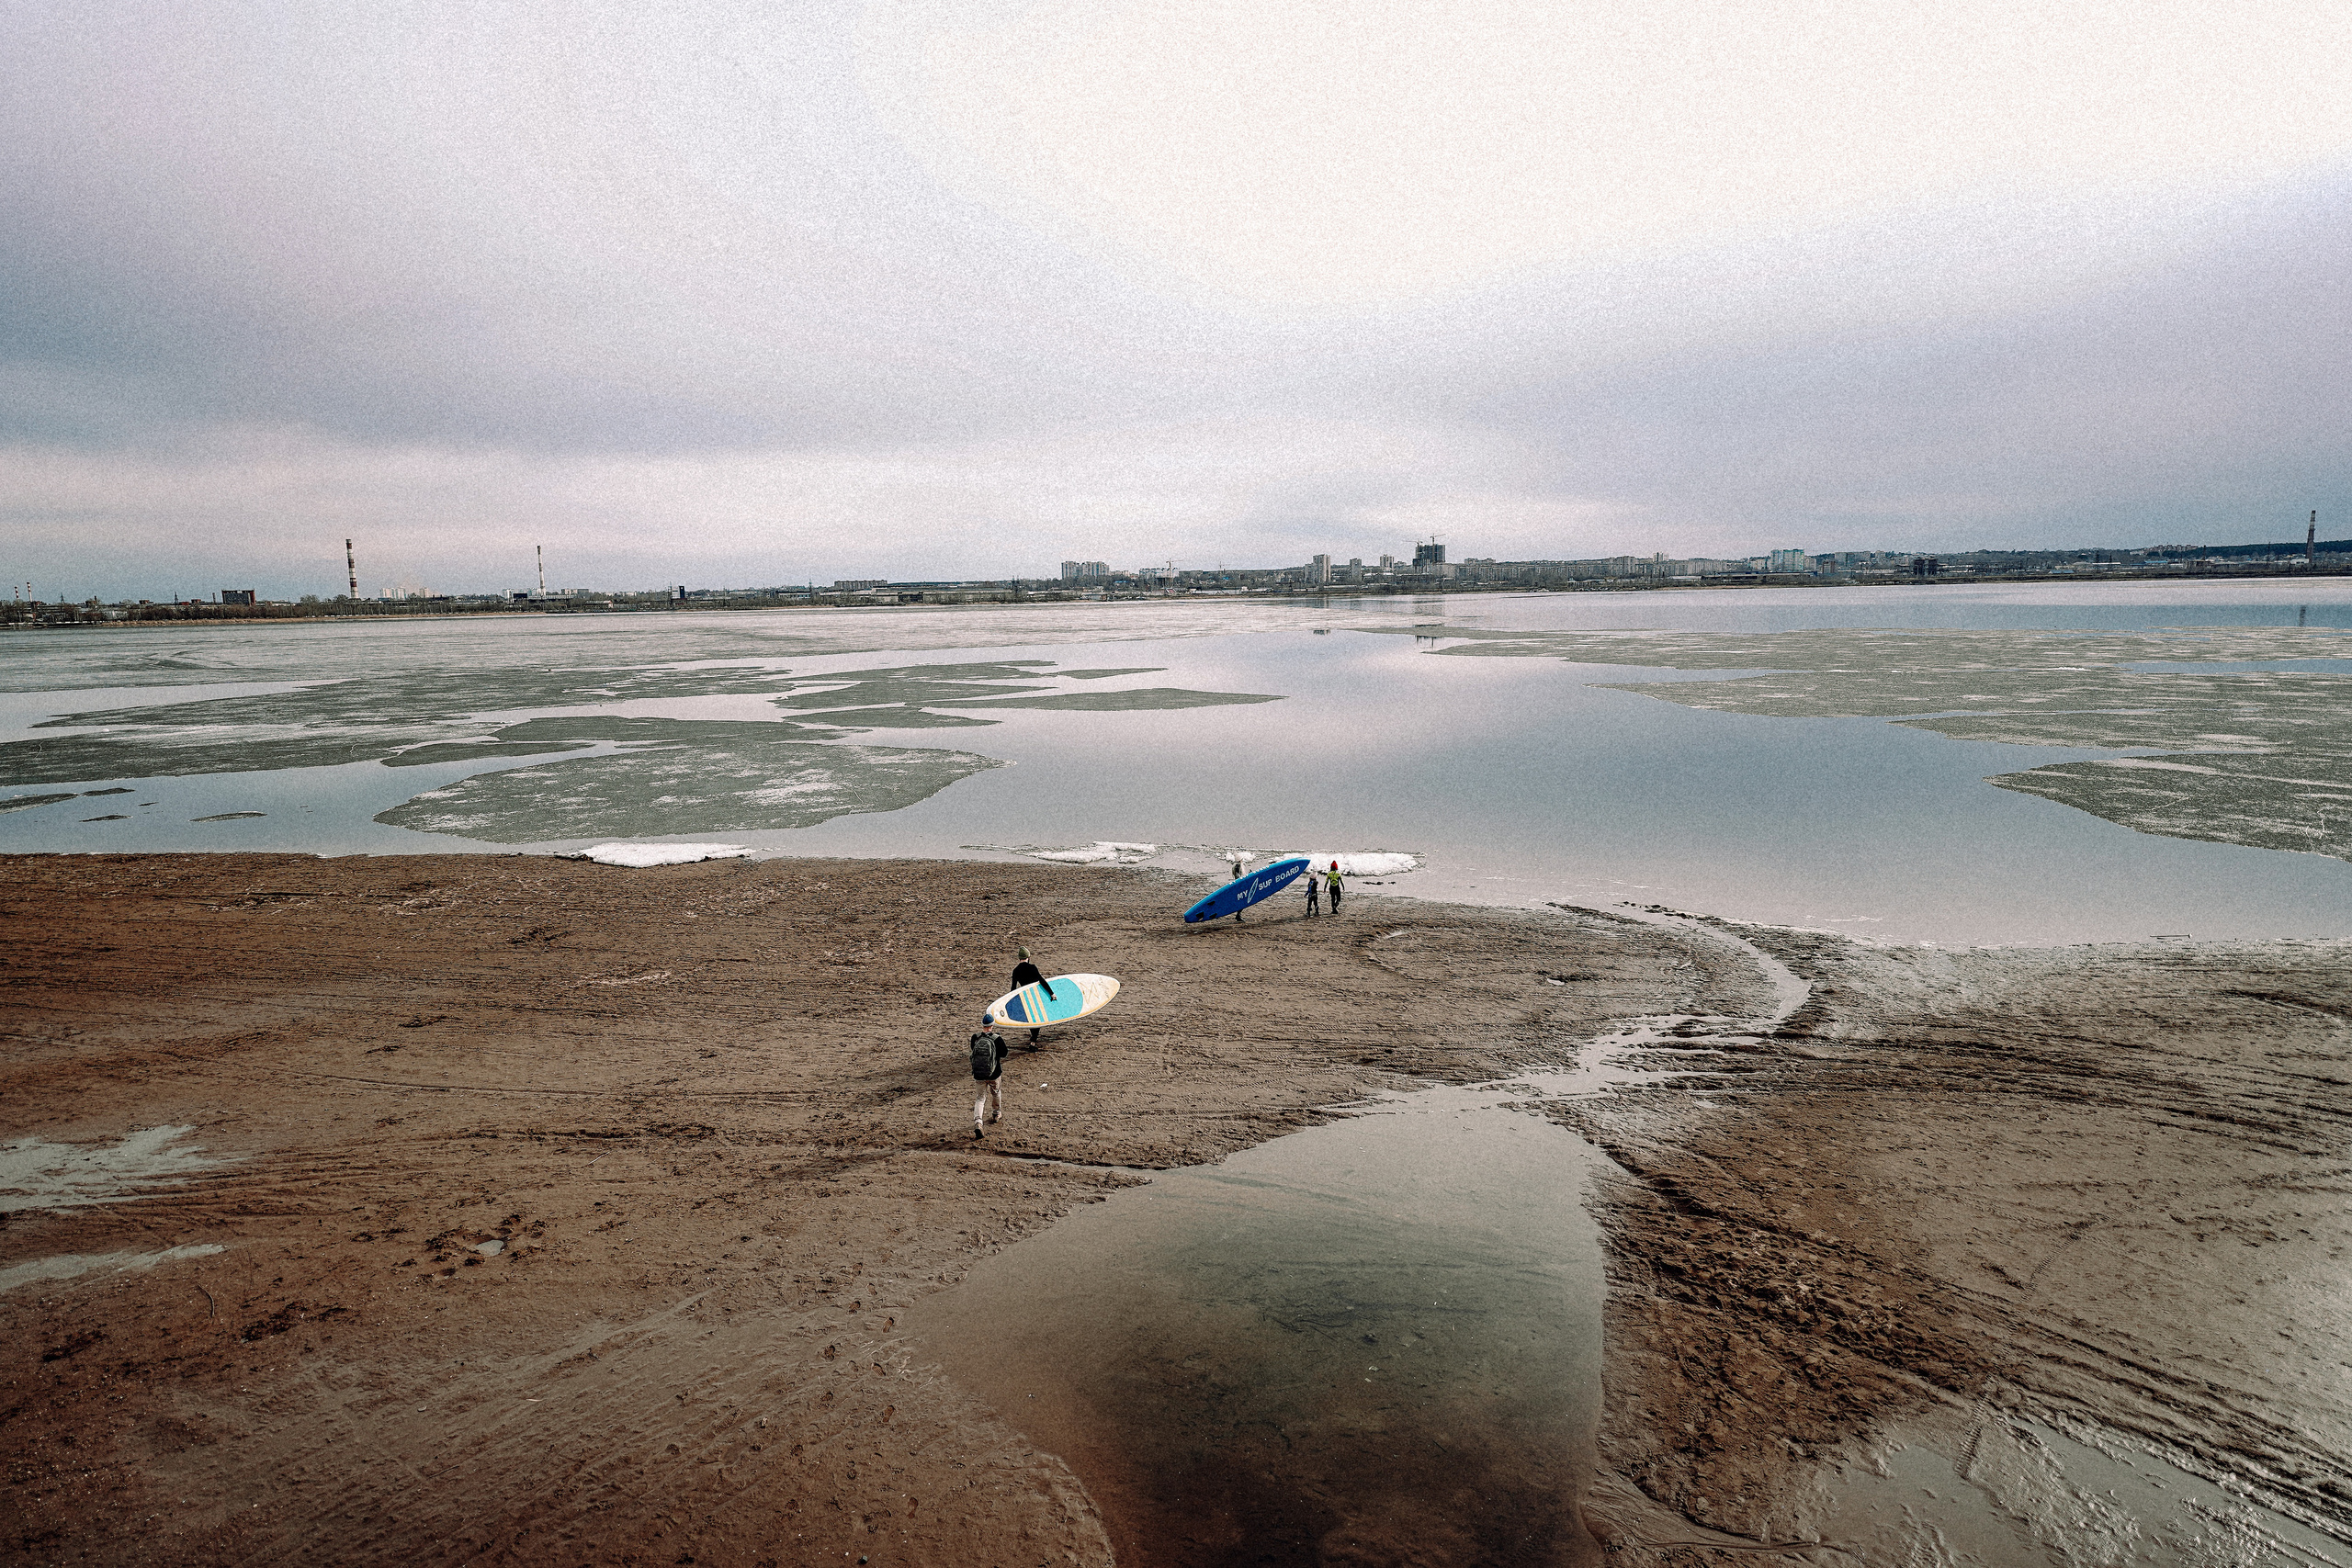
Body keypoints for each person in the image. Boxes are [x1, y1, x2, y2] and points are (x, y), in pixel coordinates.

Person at [970, 1014, 1009, 1137]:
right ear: (992, 1026)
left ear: (983, 1025)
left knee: (980, 1098)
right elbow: (1004, 1054)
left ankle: (978, 1122)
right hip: (994, 1073)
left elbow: (973, 1051)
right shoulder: (997, 1039)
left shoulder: (975, 1037)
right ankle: (996, 1114)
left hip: (979, 1074)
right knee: (996, 1093)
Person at [1009, 946, 1057, 1046]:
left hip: (1025, 997)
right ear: (1028, 957)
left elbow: (1013, 988)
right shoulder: (1032, 968)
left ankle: (1033, 1039)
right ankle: (1033, 1040)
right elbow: (1042, 981)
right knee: (1037, 1017)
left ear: (1019, 958)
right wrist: (1051, 993)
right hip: (1035, 996)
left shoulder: (1016, 970)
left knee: (1031, 1018)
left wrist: (1011, 1002)